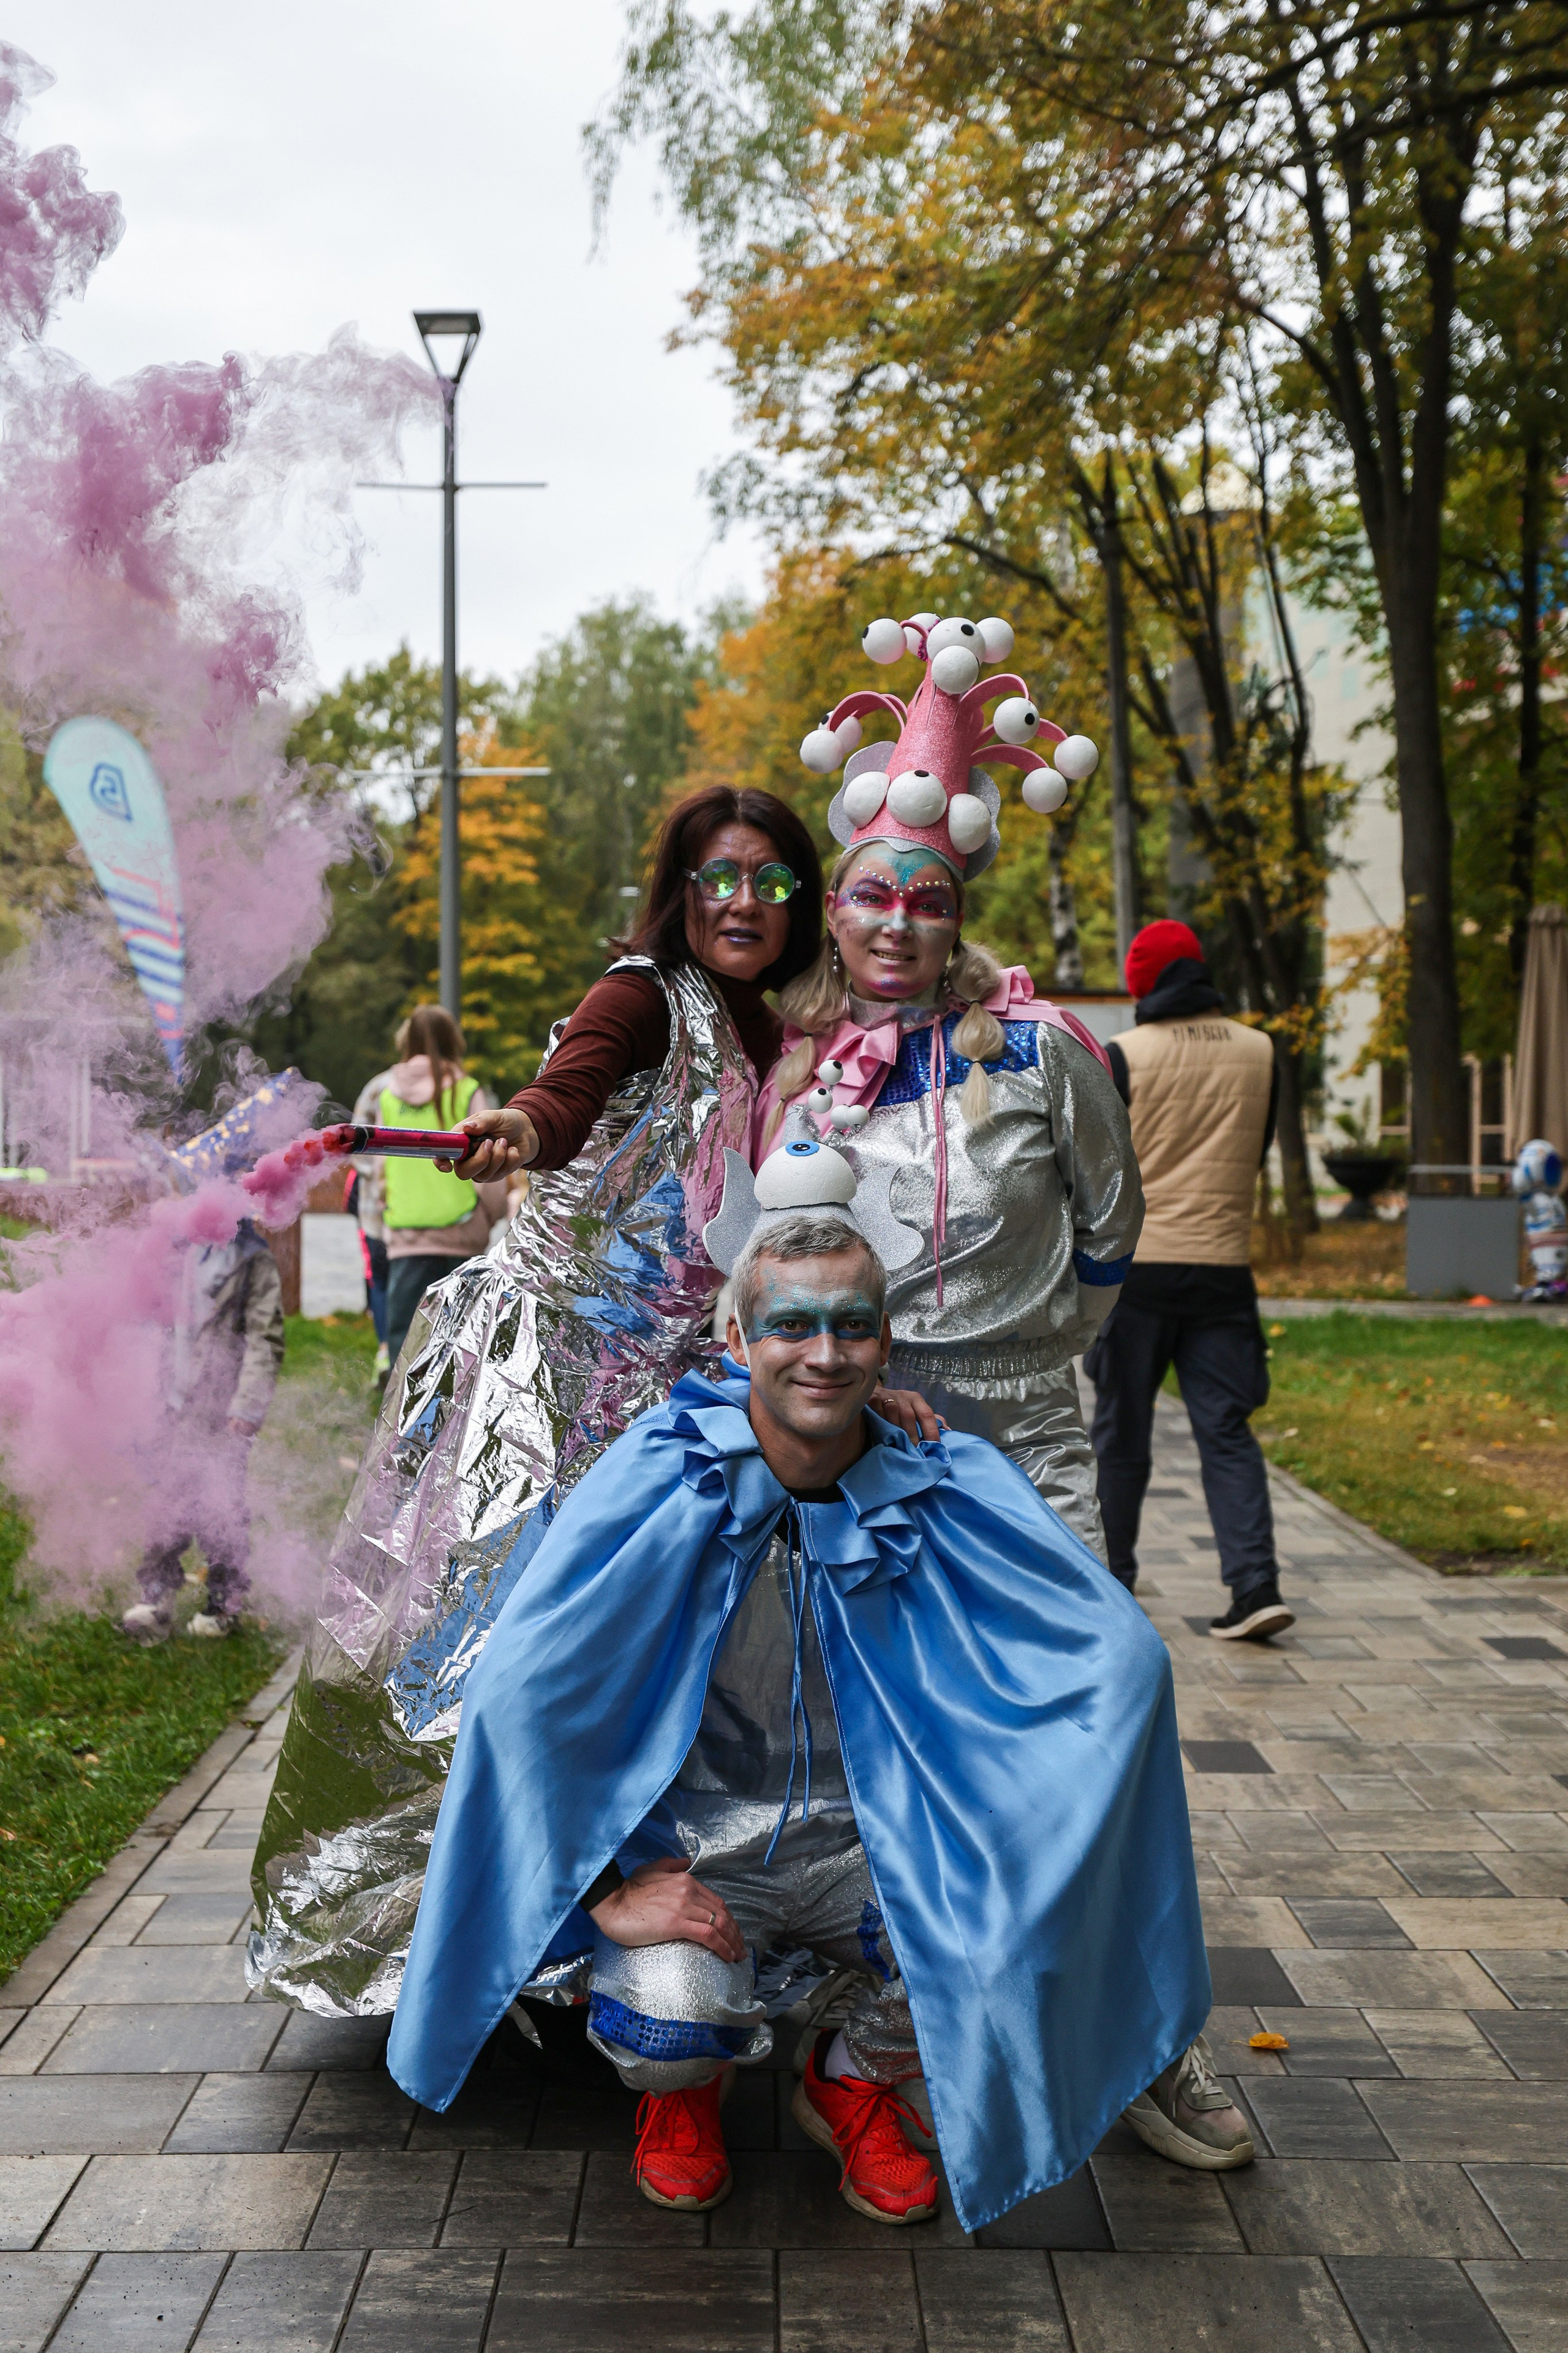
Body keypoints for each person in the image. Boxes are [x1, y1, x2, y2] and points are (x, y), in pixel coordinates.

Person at [386, 1146, 1240, 2235]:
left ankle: (848, 2072)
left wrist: (1029, 1836)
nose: (825, 1356)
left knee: (1026, 1938)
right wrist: (603, 1892)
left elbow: (1119, 1665)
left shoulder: (943, 1477)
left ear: (889, 1343)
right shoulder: (659, 1473)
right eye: (792, 1324)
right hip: (693, 1855)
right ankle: (686, 2091)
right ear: (738, 1338)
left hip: (874, 1845)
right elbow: (519, 1692)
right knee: (668, 2020)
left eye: (853, 1326)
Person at [247, 787, 824, 2017]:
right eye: (718, 875)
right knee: (505, 1649)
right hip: (544, 1378)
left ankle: (641, 1902)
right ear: (678, 889)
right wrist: (520, 1123)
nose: (743, 902)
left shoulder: (765, 1033)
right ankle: (552, 1903)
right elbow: (566, 1094)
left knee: (667, 1645)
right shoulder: (638, 995)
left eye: (772, 881)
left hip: (669, 1386)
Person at [753, 608, 1141, 1557]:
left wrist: (1044, 1343)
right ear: (835, 916)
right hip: (856, 1430)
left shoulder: (1041, 1049)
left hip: (1027, 1433)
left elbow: (1113, 1218)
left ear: (955, 925)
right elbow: (760, 1254)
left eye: (928, 905)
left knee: (1076, 1670)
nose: (899, 925)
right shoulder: (792, 1068)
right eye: (873, 897)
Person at [1086, 919, 1294, 1640]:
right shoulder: (1262, 1051)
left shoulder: (1124, 1055)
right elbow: (1257, 1145)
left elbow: (1102, 1168)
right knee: (1227, 1430)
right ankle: (1254, 1584)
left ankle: (1112, 1577)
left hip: (1138, 1275)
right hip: (1223, 1270)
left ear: (1142, 983)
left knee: (1120, 1433)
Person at [121, 1217, 284, 1642]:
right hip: (171, 1400)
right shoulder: (173, 1248)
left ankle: (224, 1602)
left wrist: (247, 1404)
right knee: (167, 1501)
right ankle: (155, 1594)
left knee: (220, 1506)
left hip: (220, 1406)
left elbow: (265, 1337)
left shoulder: (252, 1259)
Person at [371, 1008, 509, 1368]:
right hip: (461, 1234)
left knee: (407, 1344)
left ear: (406, 1040)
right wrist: (489, 1219)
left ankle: (402, 1423)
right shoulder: (467, 1091)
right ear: (454, 1040)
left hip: (405, 1233)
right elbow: (493, 1162)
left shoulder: (387, 1095)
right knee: (463, 1345)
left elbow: (380, 1171)